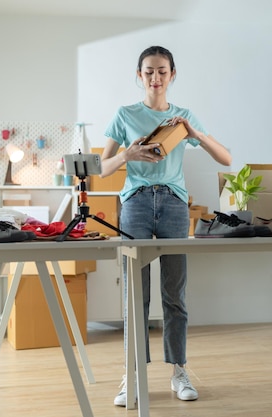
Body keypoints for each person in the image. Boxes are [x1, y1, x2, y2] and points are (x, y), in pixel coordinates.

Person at [100, 45, 232, 406]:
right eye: (148, 71)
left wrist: (194, 132)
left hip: (174, 204)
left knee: (175, 294)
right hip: (136, 205)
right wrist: (128, 154)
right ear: (138, 75)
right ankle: (132, 374)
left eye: (162, 71)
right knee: (134, 295)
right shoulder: (124, 115)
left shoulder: (183, 117)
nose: (155, 78)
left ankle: (178, 370)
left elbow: (226, 157)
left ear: (172, 75)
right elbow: (100, 167)